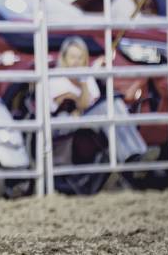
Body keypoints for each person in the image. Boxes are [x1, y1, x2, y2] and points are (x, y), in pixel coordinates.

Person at [48, 36, 147, 195]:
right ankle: (130, 157)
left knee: (116, 105)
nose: (76, 62)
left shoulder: (86, 77)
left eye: (80, 57)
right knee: (107, 108)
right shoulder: (56, 78)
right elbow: (83, 104)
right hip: (63, 124)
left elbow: (86, 105)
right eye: (72, 57)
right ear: (64, 58)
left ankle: (136, 154)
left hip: (86, 120)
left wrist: (86, 80)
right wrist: (84, 82)